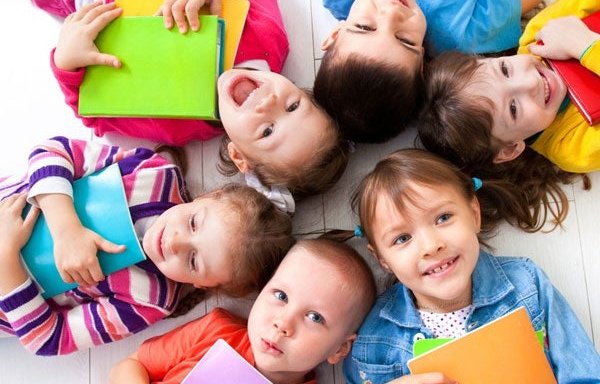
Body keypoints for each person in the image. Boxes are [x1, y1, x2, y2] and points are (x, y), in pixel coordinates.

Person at [0, 136, 295, 355]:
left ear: (206, 285)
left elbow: (51, 338)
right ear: (208, 197)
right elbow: (52, 152)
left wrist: (6, 259)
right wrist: (66, 228)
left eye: (194, 260)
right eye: (194, 223)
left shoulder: (149, 297)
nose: (175, 242)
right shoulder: (152, 174)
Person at [41, 1, 350, 201]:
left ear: (238, 156)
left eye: (267, 131)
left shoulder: (180, 125)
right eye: (293, 105)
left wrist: (67, 61)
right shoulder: (268, 37)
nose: (267, 103)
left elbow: (94, 114)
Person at [341, 148, 600, 383]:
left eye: (443, 218)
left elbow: (584, 375)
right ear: (383, 259)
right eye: (402, 238)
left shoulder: (525, 282)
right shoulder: (374, 341)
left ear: (474, 214)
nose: (431, 246)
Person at [417, 0, 598, 231]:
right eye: (513, 108)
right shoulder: (572, 147)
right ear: (510, 149)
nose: (530, 82)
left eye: (505, 69)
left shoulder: (537, 35)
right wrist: (584, 46)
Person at [108, 238, 377, 384]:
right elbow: (132, 365)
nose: (283, 323)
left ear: (339, 349)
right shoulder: (216, 329)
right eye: (280, 296)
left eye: (315, 317)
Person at [312, 0, 542, 144]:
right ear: (422, 62)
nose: (392, 14)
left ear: (335, 34)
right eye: (404, 40)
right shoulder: (459, 32)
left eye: (364, 27)